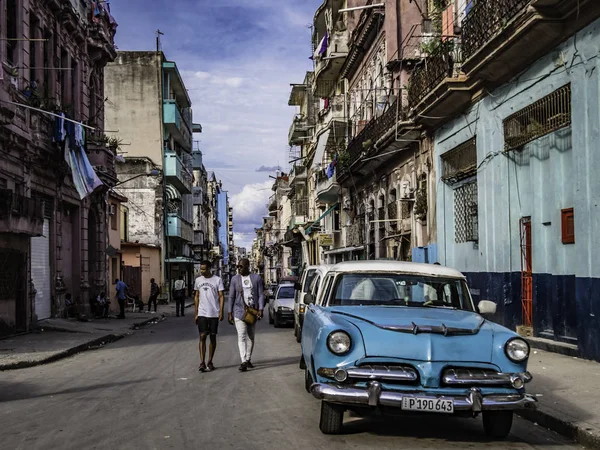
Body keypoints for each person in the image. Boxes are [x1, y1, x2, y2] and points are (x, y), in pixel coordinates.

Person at [228, 258, 265, 372]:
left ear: (247, 266)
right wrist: (230, 312)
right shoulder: (235, 279)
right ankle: (243, 360)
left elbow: (260, 295)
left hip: (252, 312)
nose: (239, 268)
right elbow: (231, 296)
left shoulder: (256, 278)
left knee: (251, 337)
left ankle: (248, 358)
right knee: (241, 336)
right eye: (238, 266)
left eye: (241, 266)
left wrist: (261, 309)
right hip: (239, 312)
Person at [194, 261, 225, 372]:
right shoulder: (198, 280)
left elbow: (221, 296)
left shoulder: (217, 280)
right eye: (201, 269)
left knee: (212, 337)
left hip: (213, 313)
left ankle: (210, 361)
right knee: (202, 336)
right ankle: (202, 362)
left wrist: (221, 312)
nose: (202, 271)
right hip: (202, 313)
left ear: (210, 268)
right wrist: (196, 313)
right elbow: (197, 296)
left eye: (204, 269)